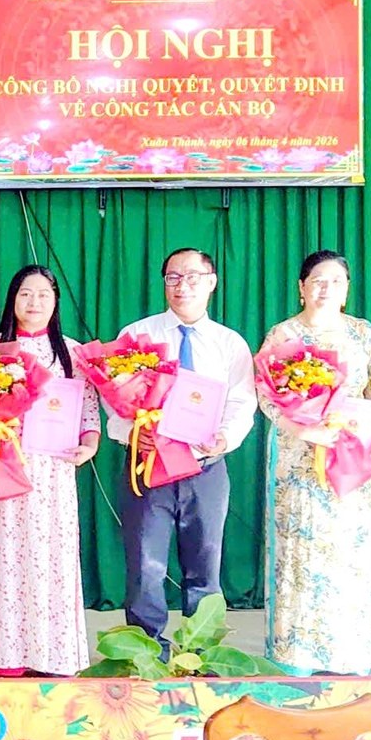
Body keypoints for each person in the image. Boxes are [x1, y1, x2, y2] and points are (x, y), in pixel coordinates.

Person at [257, 251, 371, 676]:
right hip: (298, 456)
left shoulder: (363, 333)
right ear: (302, 287)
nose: (326, 288)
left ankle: (348, 653)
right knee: (300, 548)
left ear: (347, 289)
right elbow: (266, 394)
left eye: (336, 281)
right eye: (317, 280)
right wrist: (304, 431)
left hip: (353, 450)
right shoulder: (284, 334)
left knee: (349, 551)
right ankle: (295, 653)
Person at [108, 248, 257, 640]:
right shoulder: (136, 337)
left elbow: (242, 401)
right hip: (148, 468)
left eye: (192, 277)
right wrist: (132, 434)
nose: (182, 286)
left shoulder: (229, 343)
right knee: (145, 567)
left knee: (205, 567)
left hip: (206, 469)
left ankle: (201, 651)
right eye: (173, 277)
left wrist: (225, 437)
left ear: (212, 282)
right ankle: (145, 652)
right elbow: (113, 400)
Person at [0, 266, 100, 676]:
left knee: (51, 560)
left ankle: (52, 655)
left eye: (44, 294)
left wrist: (89, 445)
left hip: (54, 472)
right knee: (6, 557)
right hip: (5, 465)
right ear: (12, 299)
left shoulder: (73, 353)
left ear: (56, 301)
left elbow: (88, 410)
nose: (34, 302)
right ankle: (4, 655)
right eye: (26, 293)